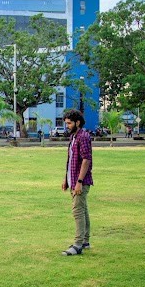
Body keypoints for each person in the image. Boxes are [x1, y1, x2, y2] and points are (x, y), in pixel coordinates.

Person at [61, 109, 93, 256]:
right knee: (83, 209)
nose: (67, 126)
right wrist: (66, 179)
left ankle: (78, 244)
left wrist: (79, 181)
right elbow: (71, 160)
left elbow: (86, 160)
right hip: (73, 180)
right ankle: (85, 241)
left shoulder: (83, 137)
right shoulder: (73, 137)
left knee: (77, 211)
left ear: (77, 122)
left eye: (69, 123)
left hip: (80, 181)